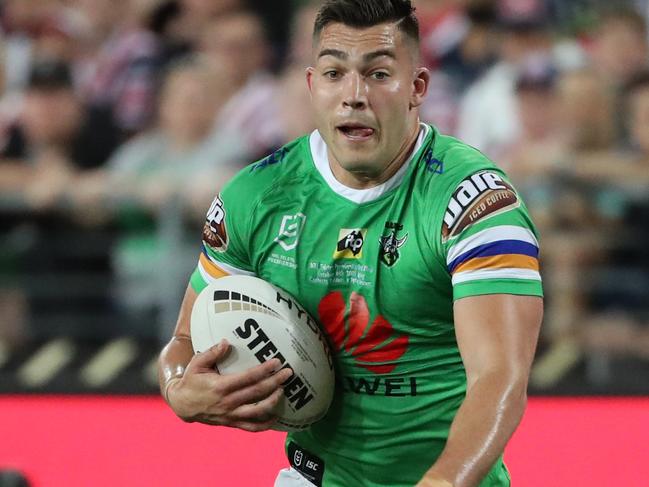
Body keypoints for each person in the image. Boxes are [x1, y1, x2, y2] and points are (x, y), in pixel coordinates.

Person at [158, 1, 543, 486]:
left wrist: (443, 482)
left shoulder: (475, 203)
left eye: (379, 74)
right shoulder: (254, 198)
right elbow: (184, 341)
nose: (354, 95)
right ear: (312, 85)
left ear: (417, 88)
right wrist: (179, 389)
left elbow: (499, 380)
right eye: (335, 73)